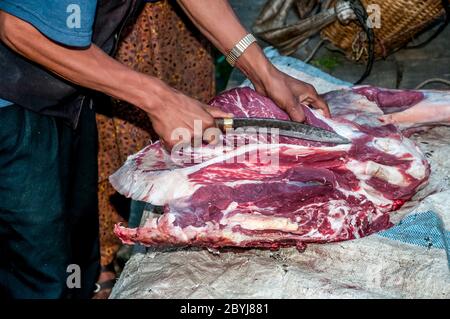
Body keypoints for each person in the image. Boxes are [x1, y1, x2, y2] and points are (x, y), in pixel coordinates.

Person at [0, 0, 329, 299]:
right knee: (38, 270)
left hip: (66, 95)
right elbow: (19, 27)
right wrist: (159, 99)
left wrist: (264, 73)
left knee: (75, 250)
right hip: (10, 102)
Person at [94, 0, 217, 298]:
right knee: (112, 142)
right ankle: (100, 261)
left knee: (190, 131)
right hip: (112, 29)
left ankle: (176, 225)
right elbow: (23, 31)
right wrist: (157, 99)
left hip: (175, 25)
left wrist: (255, 63)